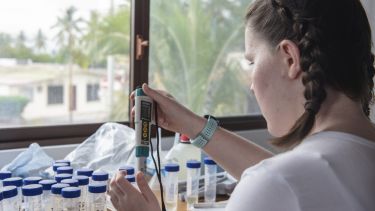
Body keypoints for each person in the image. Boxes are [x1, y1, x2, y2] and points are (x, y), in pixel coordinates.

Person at [108, 0, 375, 210]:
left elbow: (278, 181)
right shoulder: (342, 166)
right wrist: (190, 123)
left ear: (290, 59)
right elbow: (293, 179)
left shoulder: (279, 184)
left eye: (252, 61)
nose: (250, 85)